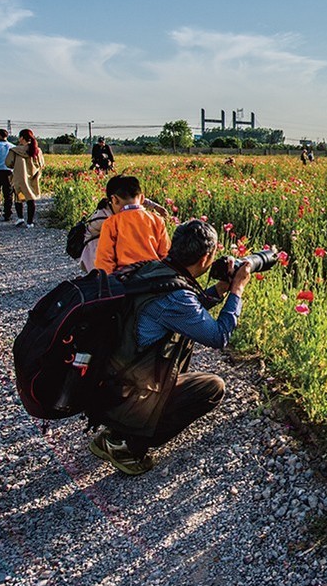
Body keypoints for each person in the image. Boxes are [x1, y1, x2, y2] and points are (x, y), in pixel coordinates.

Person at [87, 219, 252, 475]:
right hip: (131, 391)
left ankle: (115, 431)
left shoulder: (153, 270)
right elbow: (219, 337)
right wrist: (237, 291)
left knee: (174, 365)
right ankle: (127, 445)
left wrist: (220, 289)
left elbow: (185, 310)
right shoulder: (176, 295)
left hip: (108, 385)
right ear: (206, 257)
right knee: (211, 387)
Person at [79, 175, 170, 273]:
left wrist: (108, 281)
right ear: (142, 198)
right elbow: (165, 254)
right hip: (153, 275)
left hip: (125, 279)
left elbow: (104, 260)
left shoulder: (111, 223)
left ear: (114, 200)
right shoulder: (157, 220)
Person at [5, 128, 45, 228]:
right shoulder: (37, 150)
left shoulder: (15, 150)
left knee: (18, 198)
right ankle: (30, 222)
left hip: (19, 177)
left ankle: (20, 218)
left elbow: (8, 163)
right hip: (33, 177)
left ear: (22, 138)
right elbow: (42, 164)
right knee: (31, 199)